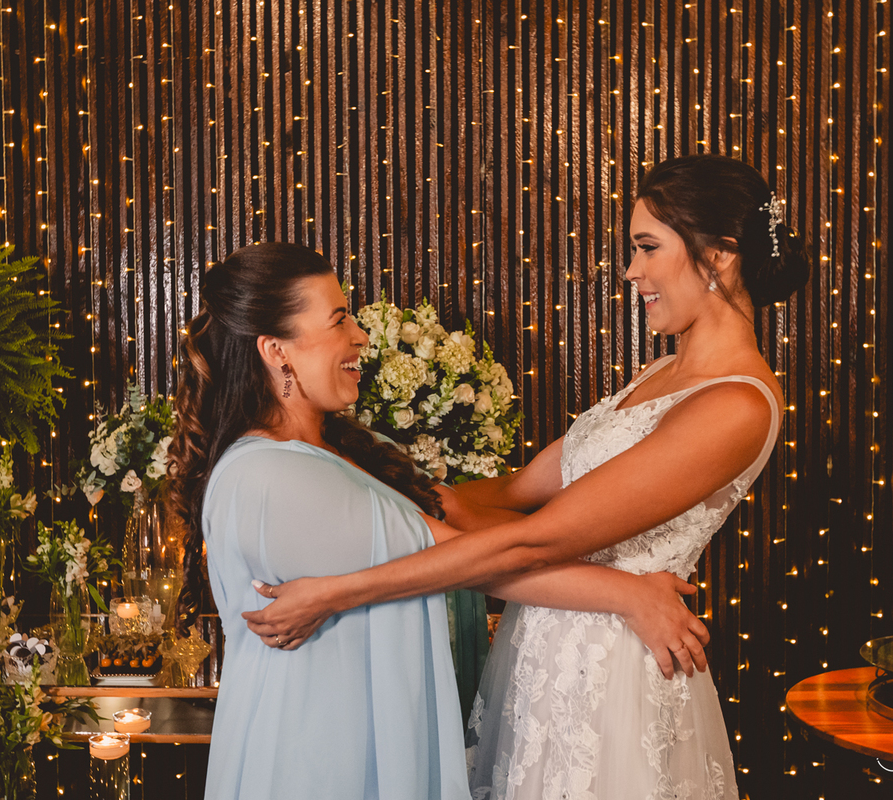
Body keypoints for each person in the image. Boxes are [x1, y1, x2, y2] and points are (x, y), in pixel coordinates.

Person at [241, 155, 810, 800]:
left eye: (648, 247)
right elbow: (513, 495)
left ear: (720, 255)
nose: (632, 271)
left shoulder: (735, 405)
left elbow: (537, 538)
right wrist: (360, 489)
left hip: (612, 673)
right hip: (543, 648)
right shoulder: (659, 374)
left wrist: (339, 590)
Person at [166, 242, 709, 800]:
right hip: (315, 754)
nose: (360, 335)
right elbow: (476, 563)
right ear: (276, 350)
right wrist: (626, 594)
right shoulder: (273, 476)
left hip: (349, 733)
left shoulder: (343, 450)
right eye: (338, 320)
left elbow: (469, 527)